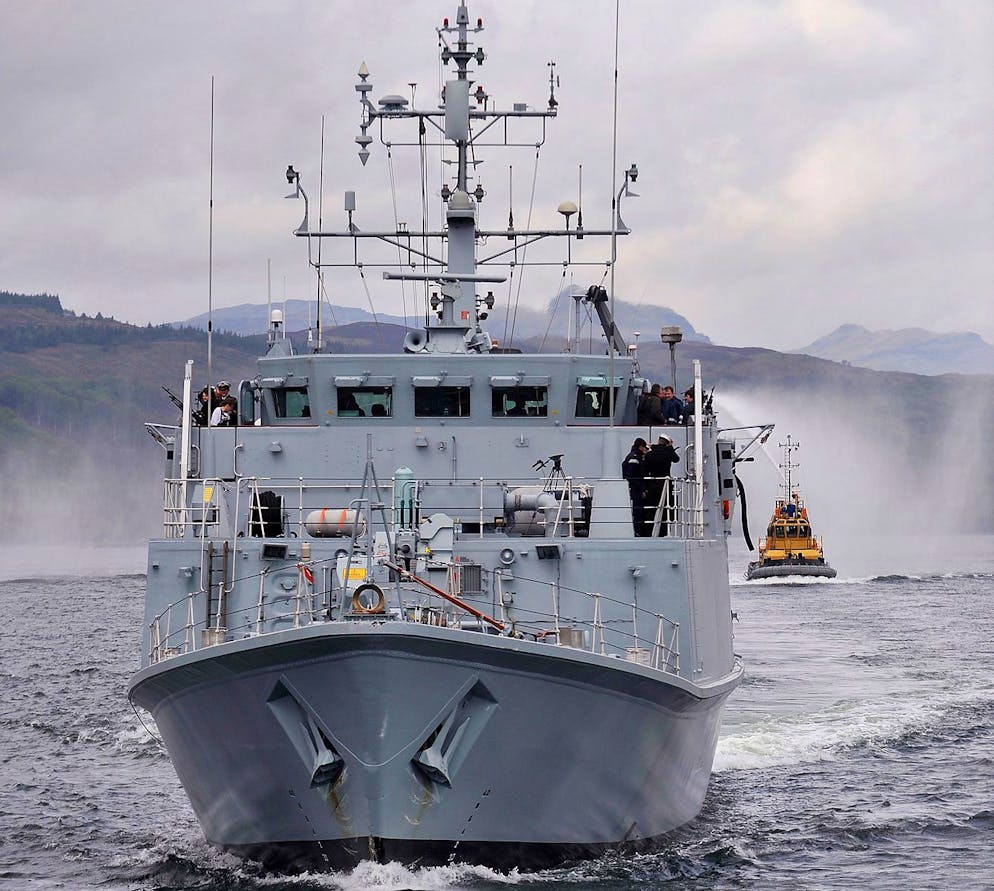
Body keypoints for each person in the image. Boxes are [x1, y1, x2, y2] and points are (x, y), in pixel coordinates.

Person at [643, 434, 680, 536]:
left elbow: (645, 469)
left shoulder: (650, 454)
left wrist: (646, 486)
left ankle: (648, 532)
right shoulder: (668, 453)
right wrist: (671, 447)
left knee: (651, 509)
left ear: (658, 441)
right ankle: (663, 532)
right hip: (665, 483)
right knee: (665, 509)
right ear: (667, 443)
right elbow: (676, 459)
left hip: (652, 484)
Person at [622, 437, 649, 536]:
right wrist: (642, 489)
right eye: (644, 447)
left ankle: (638, 530)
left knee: (638, 510)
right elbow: (632, 475)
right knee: (638, 510)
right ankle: (638, 531)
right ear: (641, 446)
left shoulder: (635, 456)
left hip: (636, 488)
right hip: (636, 489)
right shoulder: (634, 457)